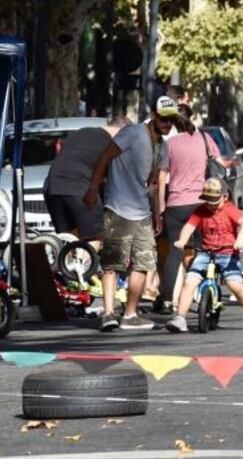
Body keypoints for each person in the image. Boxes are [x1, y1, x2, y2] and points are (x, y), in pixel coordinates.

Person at [85, 96, 178, 331]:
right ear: (155, 116)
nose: (168, 124)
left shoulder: (163, 146)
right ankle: (108, 313)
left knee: (143, 263)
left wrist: (158, 214)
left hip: (143, 212)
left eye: (172, 120)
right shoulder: (134, 133)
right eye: (164, 119)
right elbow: (105, 156)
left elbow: (156, 182)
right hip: (118, 207)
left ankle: (130, 313)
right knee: (113, 264)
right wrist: (93, 190)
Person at [166, 179, 243, 332]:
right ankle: (180, 317)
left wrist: (240, 239)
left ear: (225, 197)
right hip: (206, 253)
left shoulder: (229, 209)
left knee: (235, 284)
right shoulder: (201, 211)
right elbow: (188, 227)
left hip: (227, 253)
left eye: (215, 202)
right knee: (190, 281)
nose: (211, 206)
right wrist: (182, 240)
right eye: (208, 201)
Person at [155, 105, 220, 313]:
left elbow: (162, 176)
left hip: (176, 204)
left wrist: (162, 206)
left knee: (174, 253)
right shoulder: (204, 139)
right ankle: (199, 294)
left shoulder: (170, 144)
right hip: (201, 203)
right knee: (202, 251)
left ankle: (167, 301)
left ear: (173, 123)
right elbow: (218, 165)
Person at [43, 115, 130, 247]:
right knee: (95, 236)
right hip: (79, 187)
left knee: (67, 238)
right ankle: (87, 266)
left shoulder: (82, 132)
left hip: (52, 187)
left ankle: (66, 265)